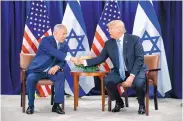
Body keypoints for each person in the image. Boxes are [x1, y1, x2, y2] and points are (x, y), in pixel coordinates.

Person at [74, 20, 147, 114]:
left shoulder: (134, 39)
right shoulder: (109, 43)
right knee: (107, 81)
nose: (109, 31)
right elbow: (100, 58)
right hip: (119, 71)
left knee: (139, 83)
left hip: (136, 70)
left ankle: (141, 104)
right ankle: (119, 101)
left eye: (111, 29)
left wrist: (132, 76)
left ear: (119, 29)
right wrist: (83, 62)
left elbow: (139, 59)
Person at [26, 24, 77, 114]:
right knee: (30, 78)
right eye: (63, 34)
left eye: (66, 34)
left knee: (61, 75)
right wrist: (70, 58)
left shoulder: (65, 45)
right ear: (55, 33)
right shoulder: (46, 41)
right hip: (38, 70)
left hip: (51, 71)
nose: (65, 36)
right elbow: (53, 52)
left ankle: (56, 105)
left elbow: (62, 61)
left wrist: (57, 66)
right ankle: (30, 106)